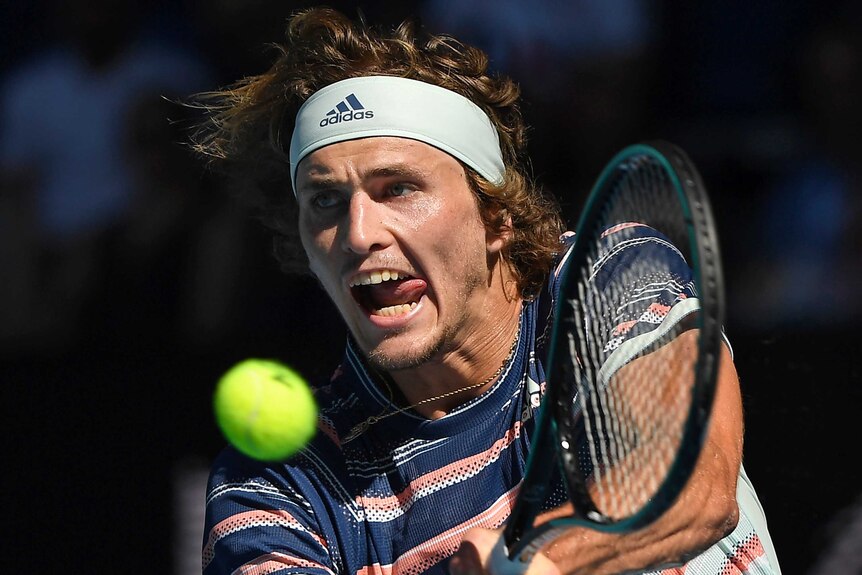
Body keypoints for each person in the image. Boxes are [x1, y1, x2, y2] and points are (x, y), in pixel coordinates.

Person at [192, 7, 780, 574]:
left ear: (495, 215)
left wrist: (541, 560)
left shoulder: (606, 274)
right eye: (325, 201)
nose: (358, 233)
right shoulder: (272, 484)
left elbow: (690, 488)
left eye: (398, 188)